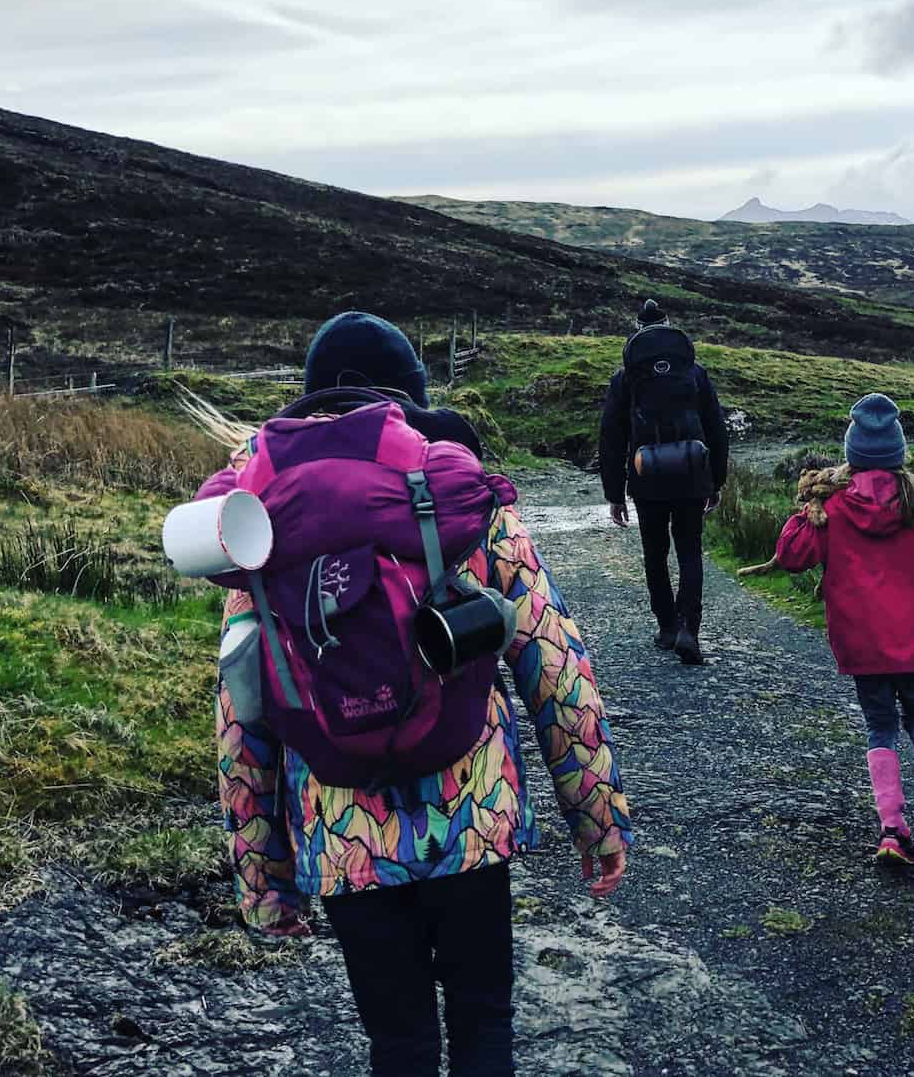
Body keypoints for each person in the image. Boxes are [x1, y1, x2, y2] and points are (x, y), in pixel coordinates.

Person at [193, 311, 632, 1076]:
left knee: (397, 1044)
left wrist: (263, 873)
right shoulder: (453, 489)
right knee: (483, 1023)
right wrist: (596, 820)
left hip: (340, 829)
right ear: (406, 397)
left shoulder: (258, 516)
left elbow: (242, 711)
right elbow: (553, 663)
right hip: (469, 813)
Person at [773, 394, 914, 865]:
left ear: (851, 455)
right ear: (899, 455)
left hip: (864, 644)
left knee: (880, 726)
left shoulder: (831, 509)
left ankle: (893, 831)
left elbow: (792, 556)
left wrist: (807, 507)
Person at [599, 299, 729, 665]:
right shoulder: (694, 372)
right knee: (689, 549)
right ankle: (690, 629)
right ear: (670, 328)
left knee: (654, 553)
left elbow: (611, 437)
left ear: (636, 330)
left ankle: (667, 627)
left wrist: (615, 493)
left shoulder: (626, 378)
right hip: (692, 474)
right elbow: (716, 430)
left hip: (647, 478)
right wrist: (716, 480)